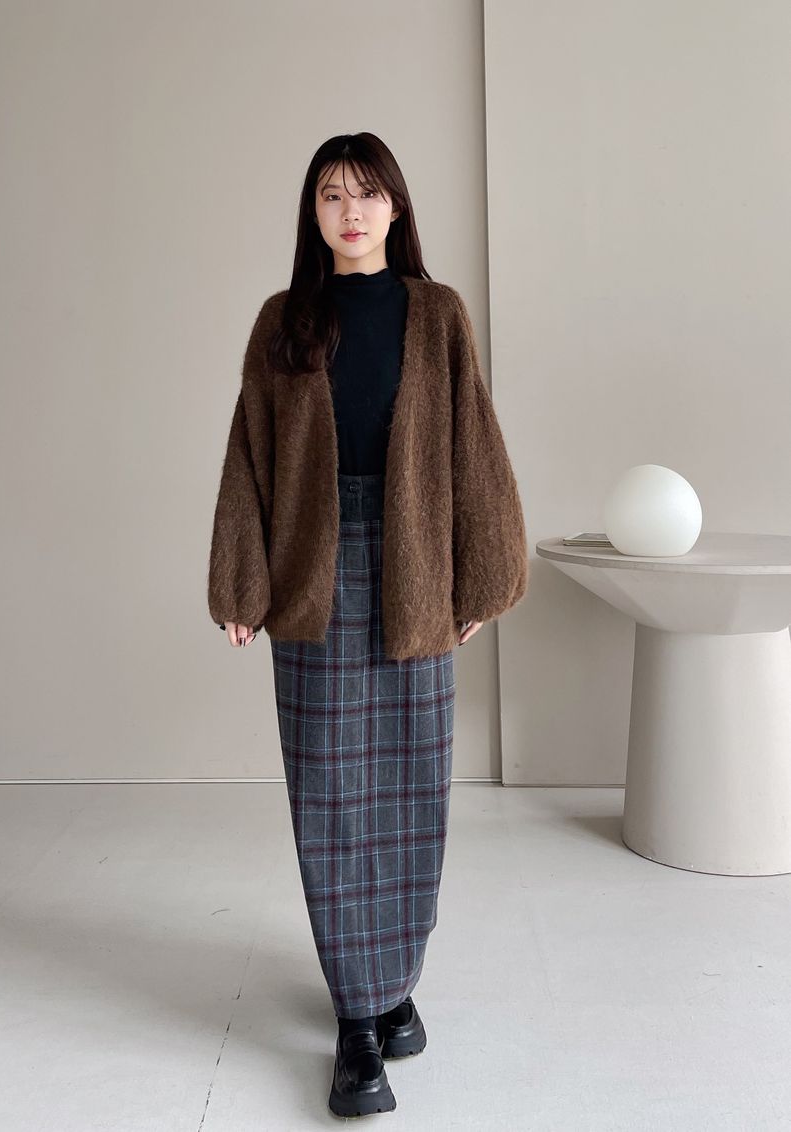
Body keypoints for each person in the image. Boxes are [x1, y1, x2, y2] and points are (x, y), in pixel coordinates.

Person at [207, 132, 528, 1119]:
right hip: (314, 570)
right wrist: (243, 585)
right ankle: (358, 1021)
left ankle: (393, 985)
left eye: (367, 193)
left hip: (416, 561)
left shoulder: (438, 315)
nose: (350, 212)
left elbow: (472, 441)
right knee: (332, 793)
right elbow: (249, 455)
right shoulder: (283, 322)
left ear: (396, 206)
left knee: (413, 785)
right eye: (331, 195)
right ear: (313, 213)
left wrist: (479, 577)